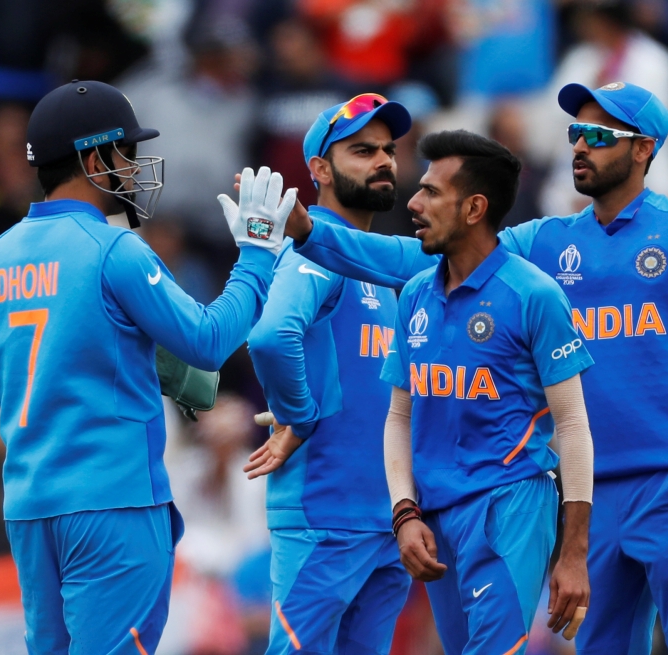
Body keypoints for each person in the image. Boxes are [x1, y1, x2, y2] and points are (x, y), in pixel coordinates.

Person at [284, 82, 668, 654]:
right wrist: (309, 233)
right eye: (576, 133)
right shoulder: (547, 241)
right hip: (588, 494)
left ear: (644, 149)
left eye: (601, 135)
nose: (581, 146)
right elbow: (416, 259)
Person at [0, 80, 295, 654]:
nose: (134, 167)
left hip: (30, 508)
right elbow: (208, 342)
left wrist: (52, 372)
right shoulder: (114, 249)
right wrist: (255, 254)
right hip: (114, 504)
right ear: (95, 158)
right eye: (126, 153)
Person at [377, 130, 595, 653]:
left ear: (475, 207)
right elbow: (398, 418)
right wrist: (404, 512)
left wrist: (573, 552)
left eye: (432, 192)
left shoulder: (534, 294)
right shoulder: (413, 295)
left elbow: (573, 426)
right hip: (434, 516)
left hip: (511, 506)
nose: (413, 202)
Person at [244, 93, 414, 654]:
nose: (383, 161)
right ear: (319, 169)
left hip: (383, 522)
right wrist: (298, 416)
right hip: (325, 518)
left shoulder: (381, 264)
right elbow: (271, 336)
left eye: (388, 150)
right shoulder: (312, 253)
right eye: (363, 151)